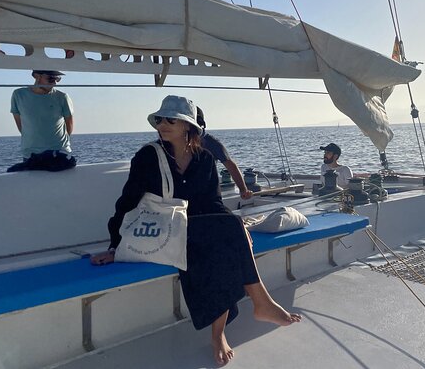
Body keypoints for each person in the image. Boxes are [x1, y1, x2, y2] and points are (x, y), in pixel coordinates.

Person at [91, 95, 300, 366]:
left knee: (225, 247)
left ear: (188, 126)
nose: (162, 124)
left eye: (171, 120)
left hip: (198, 229)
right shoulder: (148, 156)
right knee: (227, 237)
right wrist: (114, 246)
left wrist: (235, 232)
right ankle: (260, 302)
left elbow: (212, 202)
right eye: (160, 119)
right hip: (164, 229)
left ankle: (219, 334)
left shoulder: (203, 158)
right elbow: (127, 201)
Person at [8, 70, 76, 172]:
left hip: (58, 153)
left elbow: (69, 125)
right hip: (31, 155)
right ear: (37, 77)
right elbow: (20, 124)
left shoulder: (62, 97)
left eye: (57, 79)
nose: (54, 83)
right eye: (51, 78)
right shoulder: (18, 95)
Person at [197, 107, 253, 199]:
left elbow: (231, 165)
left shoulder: (212, 144)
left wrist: (243, 190)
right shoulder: (175, 141)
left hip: (206, 193)